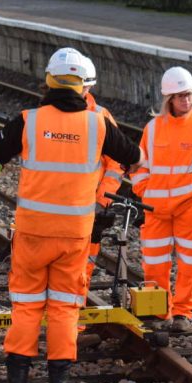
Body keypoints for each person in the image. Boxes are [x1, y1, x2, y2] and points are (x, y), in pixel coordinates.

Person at [0, 48, 143, 383]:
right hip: (74, 234)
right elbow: (135, 157)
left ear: (49, 81)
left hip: (33, 232)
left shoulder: (28, 120)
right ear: (82, 86)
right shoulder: (97, 124)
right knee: (63, 308)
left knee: (27, 306)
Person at [131, 66, 192, 333]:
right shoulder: (153, 128)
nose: (186, 100)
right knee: (154, 262)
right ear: (168, 99)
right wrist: (144, 192)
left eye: (189, 94)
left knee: (189, 264)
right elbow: (141, 167)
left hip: (189, 209)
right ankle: (160, 312)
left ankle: (183, 313)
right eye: (180, 96)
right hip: (155, 209)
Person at [81, 54, 124, 287]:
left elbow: (117, 163)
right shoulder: (47, 115)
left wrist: (103, 198)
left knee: (86, 258)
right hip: (58, 205)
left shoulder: (100, 117)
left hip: (90, 204)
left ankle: (75, 315)